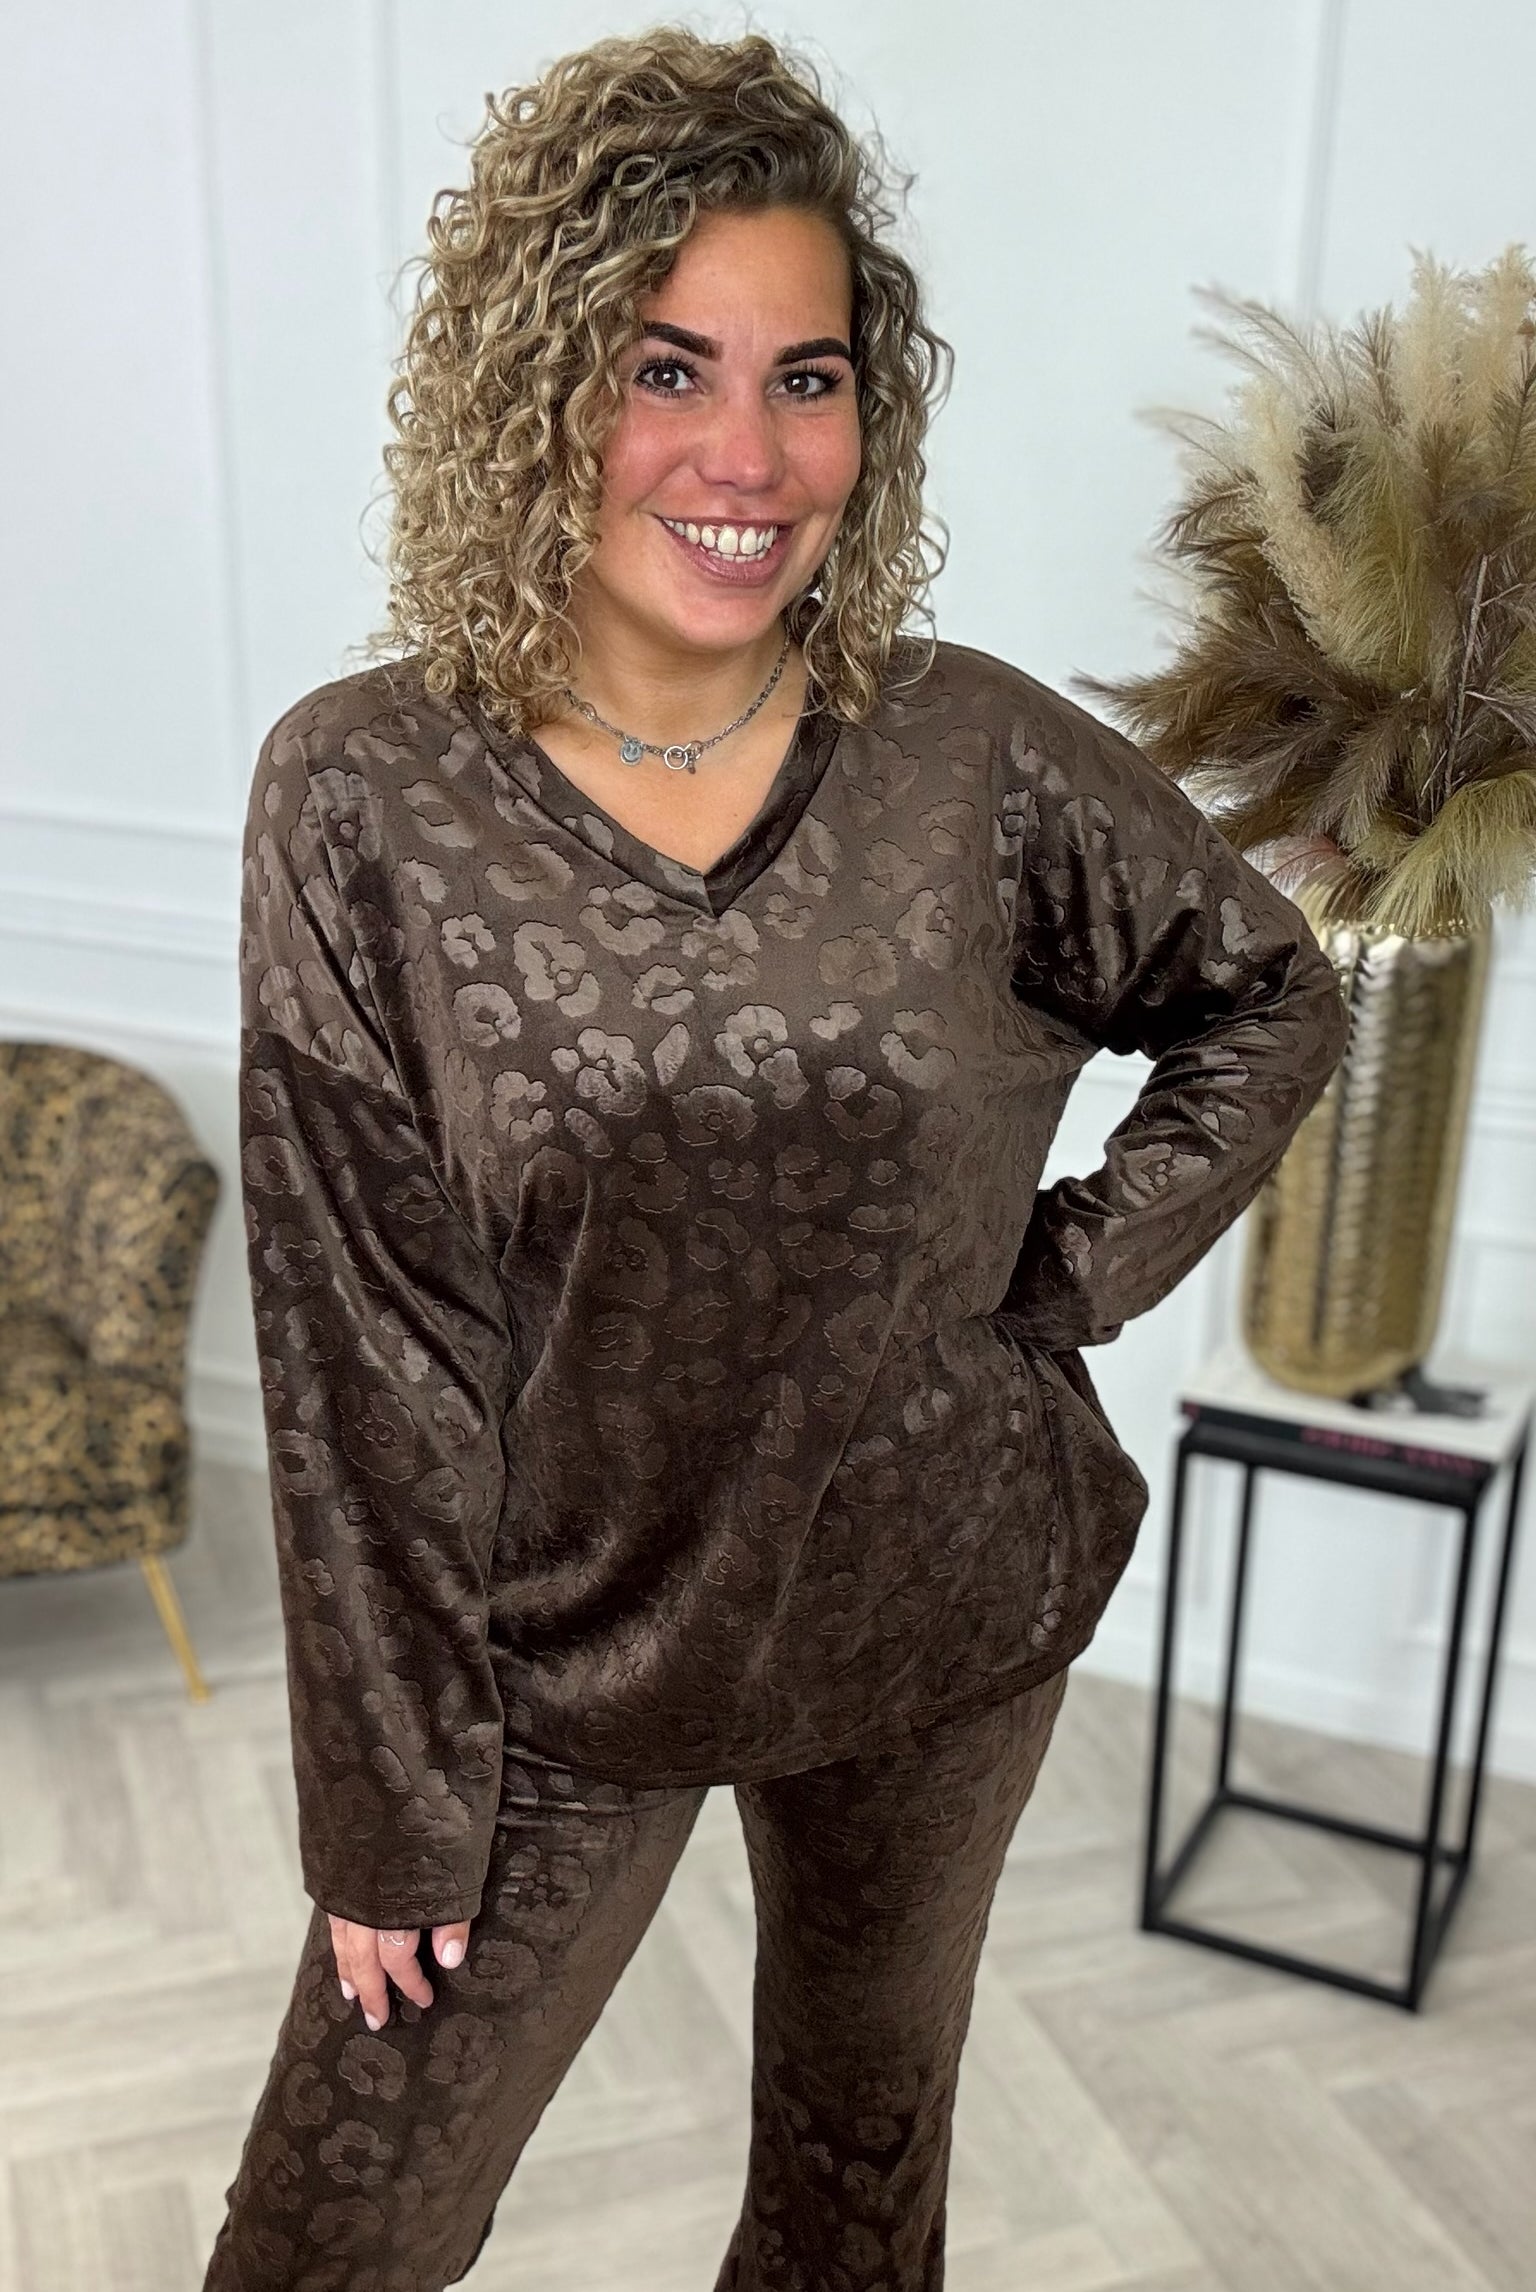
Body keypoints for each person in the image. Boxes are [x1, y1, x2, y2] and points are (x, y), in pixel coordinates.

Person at [203, 25, 1349, 2291]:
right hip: (560, 1662)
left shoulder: (969, 753)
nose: (748, 457)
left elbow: (1270, 993)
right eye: (668, 367)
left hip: (943, 1597)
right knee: (329, 2245)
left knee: (855, 2181)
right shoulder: (365, 794)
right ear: (534, 388)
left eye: (806, 379)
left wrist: (1070, 1274)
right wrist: (392, 1807)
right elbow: (361, 1354)